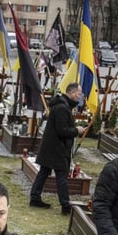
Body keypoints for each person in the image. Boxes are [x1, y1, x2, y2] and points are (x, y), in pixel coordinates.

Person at [30, 83, 84, 214]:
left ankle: (35, 197)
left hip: (52, 146)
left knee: (44, 172)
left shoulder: (62, 105)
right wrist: (77, 130)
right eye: (78, 93)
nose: (79, 96)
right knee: (61, 176)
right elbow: (62, 130)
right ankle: (65, 205)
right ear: (71, 93)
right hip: (57, 147)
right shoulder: (62, 108)